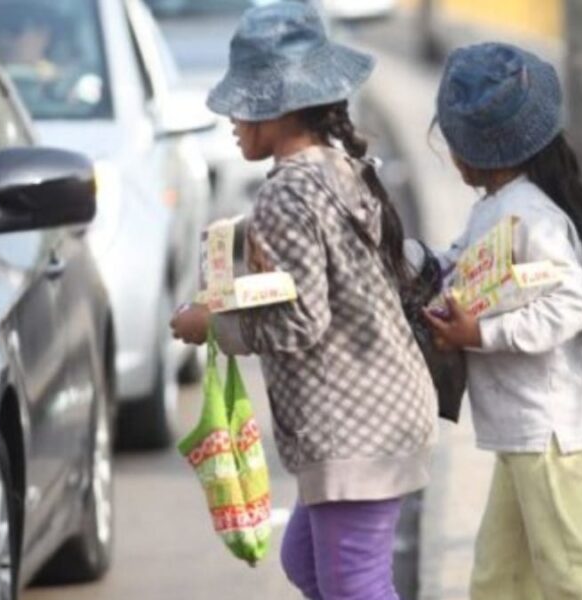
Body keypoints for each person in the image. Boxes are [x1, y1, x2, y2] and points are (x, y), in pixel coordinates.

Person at [171, 4, 437, 599]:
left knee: (354, 585)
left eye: (243, 103)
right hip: (382, 411)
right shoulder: (340, 169)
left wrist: (211, 325)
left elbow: (300, 319)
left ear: (281, 107)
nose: (233, 119)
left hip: (356, 430)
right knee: (308, 565)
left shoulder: (287, 193)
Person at [424, 42, 582, 600]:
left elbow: (572, 303)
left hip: (552, 433)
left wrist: (481, 335)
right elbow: (456, 262)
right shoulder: (500, 206)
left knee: (572, 575)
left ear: (478, 151)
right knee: (500, 578)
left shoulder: (531, 216)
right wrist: (408, 256)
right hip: (526, 433)